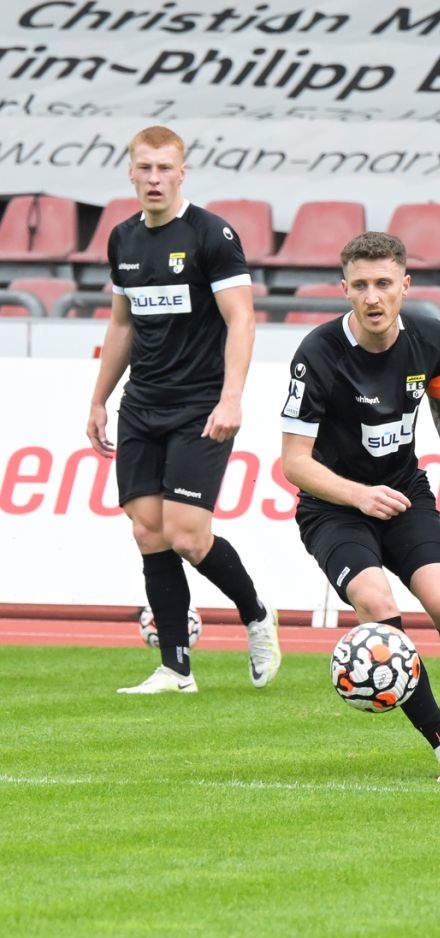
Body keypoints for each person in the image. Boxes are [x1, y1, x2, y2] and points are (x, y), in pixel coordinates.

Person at [280, 232, 440, 784]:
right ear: (345, 290)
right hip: (333, 507)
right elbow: (294, 463)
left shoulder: (430, 337)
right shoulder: (318, 353)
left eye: (384, 284)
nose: (373, 297)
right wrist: (357, 494)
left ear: (405, 285)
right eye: (360, 286)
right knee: (377, 608)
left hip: (404, 495)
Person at [85, 124, 281, 694]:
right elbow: (121, 323)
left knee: (190, 536)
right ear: (130, 171)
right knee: (148, 532)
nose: (154, 178)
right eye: (144, 167)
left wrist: (232, 396)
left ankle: (255, 614)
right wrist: (98, 398)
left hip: (201, 406)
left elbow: (242, 318)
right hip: (141, 405)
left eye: (164, 168)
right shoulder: (122, 239)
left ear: (181, 172)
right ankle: (175, 669)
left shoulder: (210, 235)